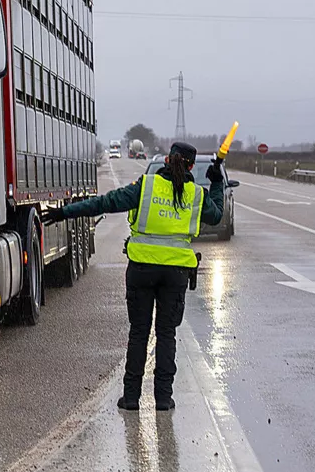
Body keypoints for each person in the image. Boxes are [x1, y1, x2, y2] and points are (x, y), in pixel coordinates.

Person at [44, 142, 223, 411]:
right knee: (166, 335)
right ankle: (163, 398)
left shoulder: (146, 186)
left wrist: (63, 212)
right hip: (176, 275)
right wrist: (217, 184)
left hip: (141, 270)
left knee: (139, 333)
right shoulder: (196, 194)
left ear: (166, 160)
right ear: (190, 166)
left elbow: (106, 202)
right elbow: (217, 215)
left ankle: (131, 398)